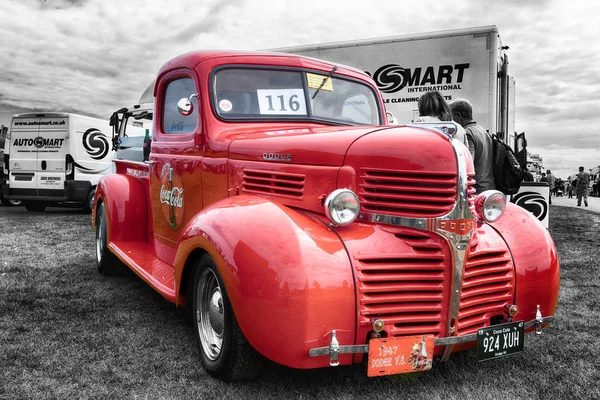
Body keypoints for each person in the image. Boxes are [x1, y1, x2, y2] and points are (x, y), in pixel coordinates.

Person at [450, 98, 495, 193]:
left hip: (476, 189)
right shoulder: (482, 131)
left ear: (458, 115)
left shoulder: (467, 133)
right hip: (489, 187)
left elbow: (467, 163)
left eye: (451, 117)